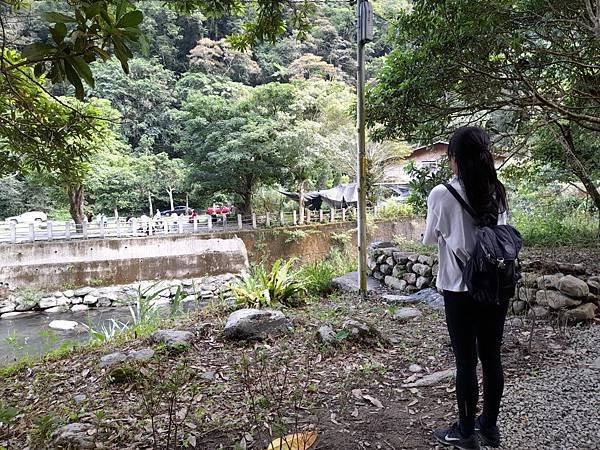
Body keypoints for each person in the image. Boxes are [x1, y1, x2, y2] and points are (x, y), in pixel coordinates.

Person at [423, 126, 509, 450]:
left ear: (455, 159)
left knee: (465, 362)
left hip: (459, 289)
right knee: (492, 358)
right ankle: (489, 428)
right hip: (496, 286)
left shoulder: (442, 194)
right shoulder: (497, 190)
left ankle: (465, 432)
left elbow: (430, 238)